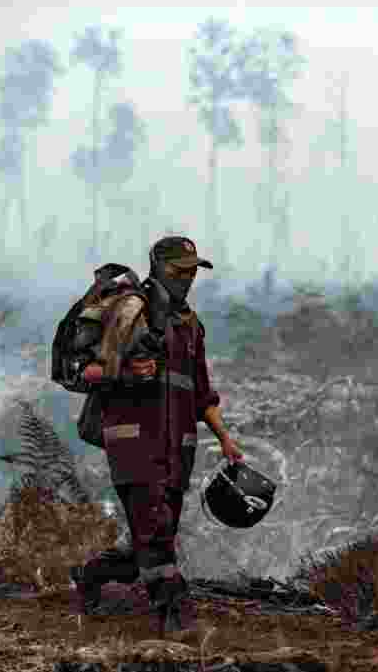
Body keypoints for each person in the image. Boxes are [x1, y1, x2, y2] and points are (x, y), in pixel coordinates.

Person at [73, 236, 243, 635]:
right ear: (159, 268)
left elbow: (202, 393)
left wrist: (225, 440)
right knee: (156, 537)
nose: (187, 278)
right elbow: (83, 371)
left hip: (177, 448)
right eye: (179, 270)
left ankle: (90, 575)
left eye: (192, 271)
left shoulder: (190, 325)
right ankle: (176, 616)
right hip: (134, 442)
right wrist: (127, 373)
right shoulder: (130, 311)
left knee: (147, 544)